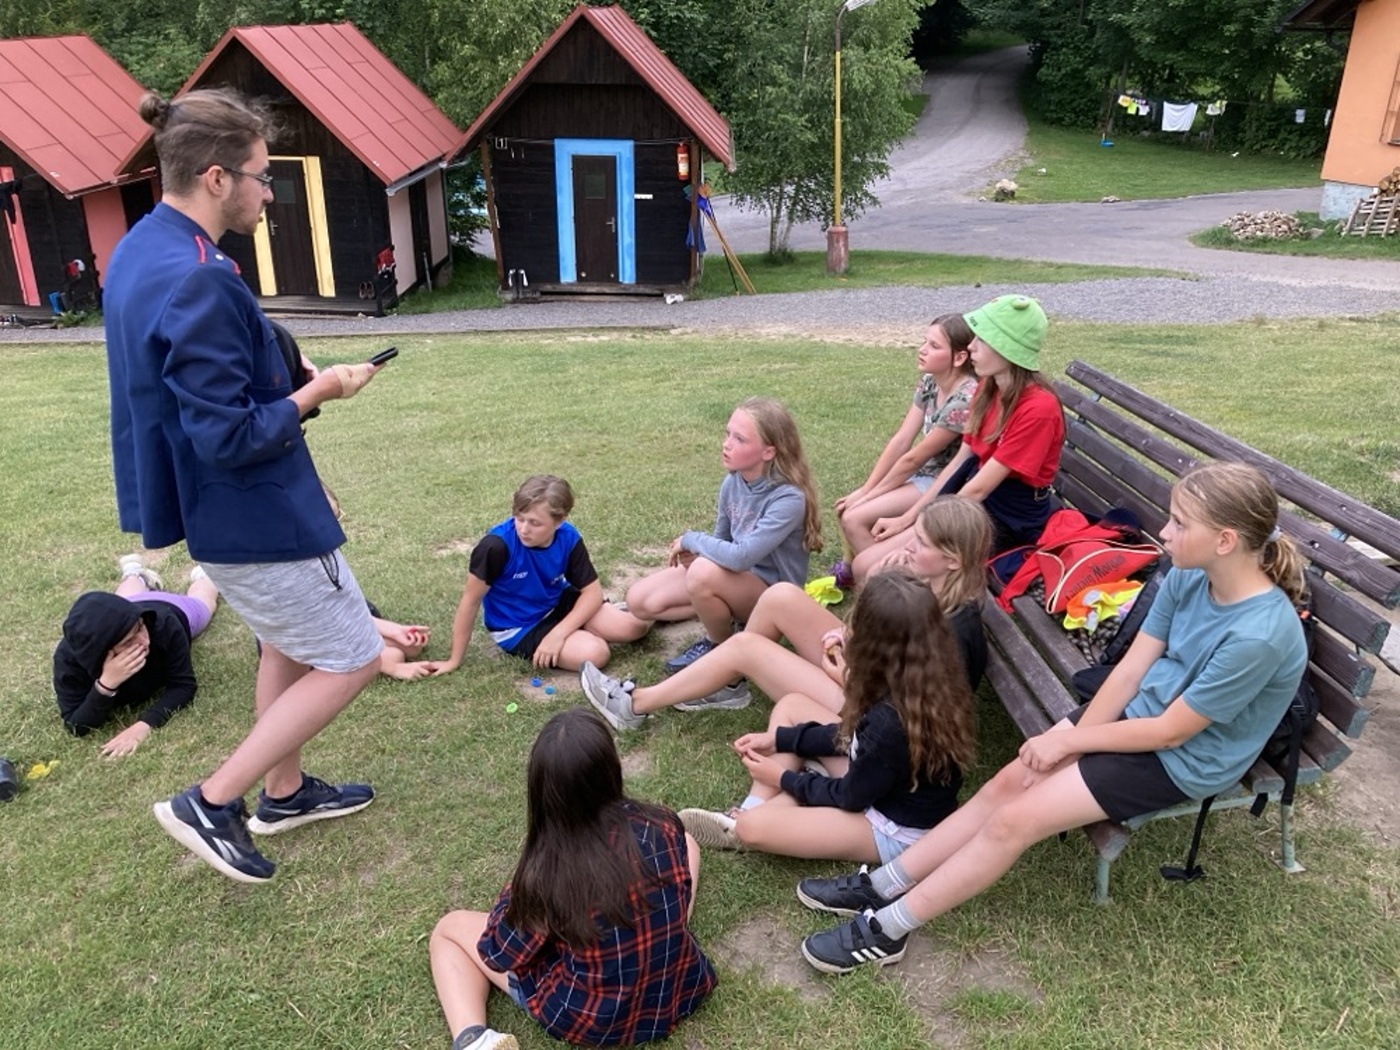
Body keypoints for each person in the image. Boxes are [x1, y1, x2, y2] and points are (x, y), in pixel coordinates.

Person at [794, 462, 1309, 975]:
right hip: (1137, 715)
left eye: (1179, 523)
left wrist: (1068, 745)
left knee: (1014, 821)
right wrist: (1078, 737)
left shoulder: (1258, 636)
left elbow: (1173, 732)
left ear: (1225, 541)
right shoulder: (1189, 575)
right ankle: (883, 883)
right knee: (1008, 783)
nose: (1165, 532)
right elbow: (1129, 672)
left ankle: (889, 929)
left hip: (1184, 758)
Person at [104, 88, 387, 884]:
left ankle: (285, 793)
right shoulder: (203, 277)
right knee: (355, 656)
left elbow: (188, 379)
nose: (269, 194)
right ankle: (213, 801)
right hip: (254, 512)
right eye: (264, 177)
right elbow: (227, 435)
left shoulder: (142, 249)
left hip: (204, 506)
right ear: (218, 178)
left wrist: (280, 364)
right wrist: (320, 389)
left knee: (284, 642)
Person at [428, 708, 716, 1050]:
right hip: (679, 990)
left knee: (449, 929)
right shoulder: (662, 824)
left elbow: (498, 952)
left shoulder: (549, 871)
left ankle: (473, 1039)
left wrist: (514, 895)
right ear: (612, 769)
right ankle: (665, 931)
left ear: (542, 791)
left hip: (591, 1019)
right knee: (688, 843)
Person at [580, 497, 991, 728]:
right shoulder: (929, 584)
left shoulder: (950, 629)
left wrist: (841, 669)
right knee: (780, 596)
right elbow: (867, 635)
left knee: (745, 647)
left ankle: (635, 705)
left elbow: (897, 711)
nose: (908, 546)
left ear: (953, 560)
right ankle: (729, 684)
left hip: (869, 709)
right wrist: (864, 613)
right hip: (867, 673)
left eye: (920, 542)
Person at [677, 570, 976, 865]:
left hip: (892, 828)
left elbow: (850, 796)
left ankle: (746, 818)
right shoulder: (922, 675)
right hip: (876, 779)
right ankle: (756, 806)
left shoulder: (890, 721)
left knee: (752, 828)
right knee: (792, 706)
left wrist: (783, 778)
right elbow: (853, 736)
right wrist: (781, 739)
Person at [854, 294, 1065, 583]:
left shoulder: (1038, 409)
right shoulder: (988, 387)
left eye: (982, 340)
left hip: (1007, 517)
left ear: (1007, 349)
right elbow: (959, 462)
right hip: (970, 501)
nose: (971, 346)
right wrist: (909, 518)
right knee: (864, 565)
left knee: (877, 571)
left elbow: (978, 490)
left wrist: (920, 536)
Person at [619, 397, 822, 675]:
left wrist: (692, 541)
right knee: (639, 601)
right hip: (736, 580)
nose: (726, 444)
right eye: (728, 434)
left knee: (702, 572)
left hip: (771, 599)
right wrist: (701, 556)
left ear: (768, 452)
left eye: (740, 439)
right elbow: (723, 542)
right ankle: (717, 609)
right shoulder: (732, 482)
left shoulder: (788, 499)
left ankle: (720, 647)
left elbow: (740, 558)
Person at [430, 475, 640, 674]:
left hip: (557, 603)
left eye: (535, 523)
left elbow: (592, 592)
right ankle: (585, 629)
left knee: (632, 628)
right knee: (596, 653)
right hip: (519, 627)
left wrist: (558, 634)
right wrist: (454, 660)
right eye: (519, 518)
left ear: (559, 521)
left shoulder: (568, 536)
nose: (523, 529)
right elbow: (470, 601)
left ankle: (601, 621)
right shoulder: (495, 547)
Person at [832, 315, 978, 580]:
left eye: (934, 346)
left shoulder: (965, 399)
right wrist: (866, 489)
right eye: (924, 341)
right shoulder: (930, 382)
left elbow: (914, 458)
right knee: (850, 510)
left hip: (943, 484)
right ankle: (870, 571)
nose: (922, 349)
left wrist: (867, 495)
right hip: (923, 475)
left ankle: (890, 583)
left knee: (854, 518)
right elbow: (902, 440)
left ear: (959, 358)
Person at [54, 554, 219, 757]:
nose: (144, 641)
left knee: (204, 602)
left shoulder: (163, 626)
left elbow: (183, 685)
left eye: (140, 629)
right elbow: (76, 724)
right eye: (128, 642)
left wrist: (143, 726)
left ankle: (204, 574)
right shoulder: (70, 659)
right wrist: (106, 684)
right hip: (121, 614)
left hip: (165, 609)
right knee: (123, 603)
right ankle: (136, 574)